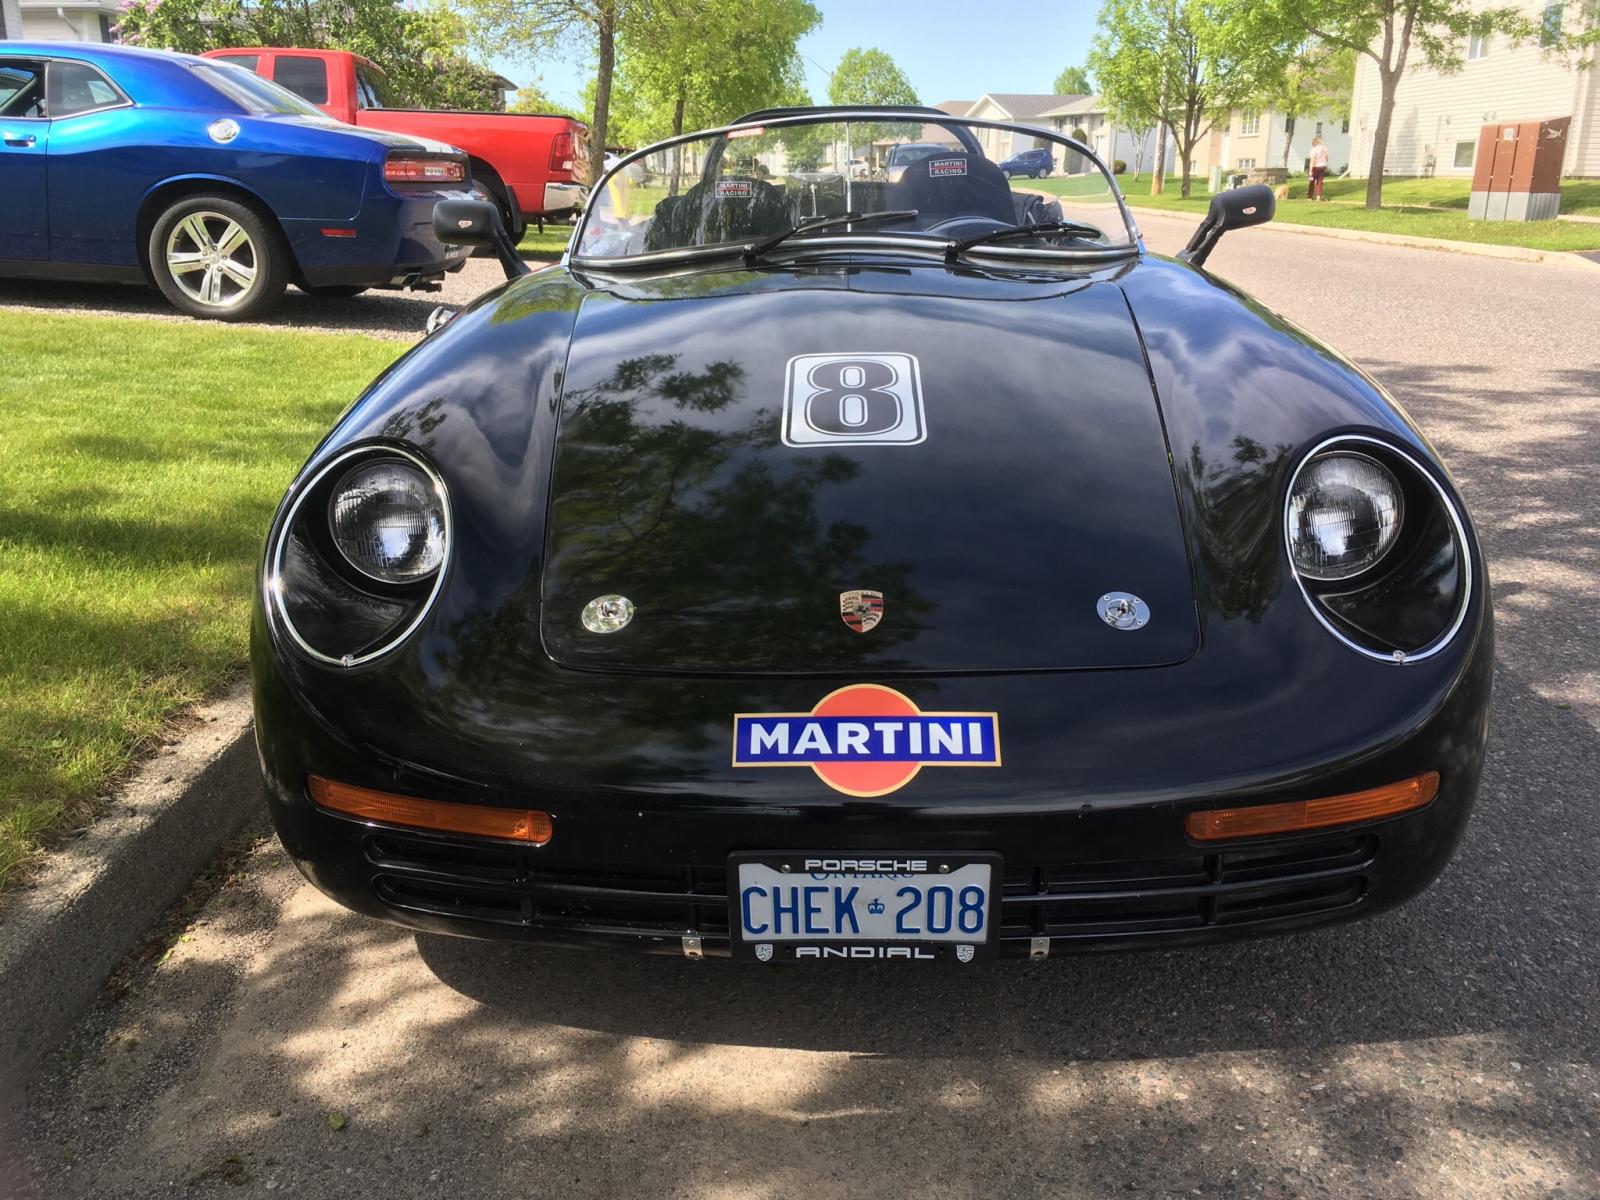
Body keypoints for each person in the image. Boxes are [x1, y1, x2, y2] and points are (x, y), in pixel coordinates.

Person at [1307, 136, 1330, 201]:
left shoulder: (1314, 149)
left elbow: (1312, 160)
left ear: (1315, 142)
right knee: (1320, 182)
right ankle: (1318, 196)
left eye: (1312, 143)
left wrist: (1310, 171)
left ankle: (1310, 197)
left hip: (1315, 168)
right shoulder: (1324, 148)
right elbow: (1327, 159)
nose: (1312, 144)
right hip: (1322, 167)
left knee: (1311, 181)